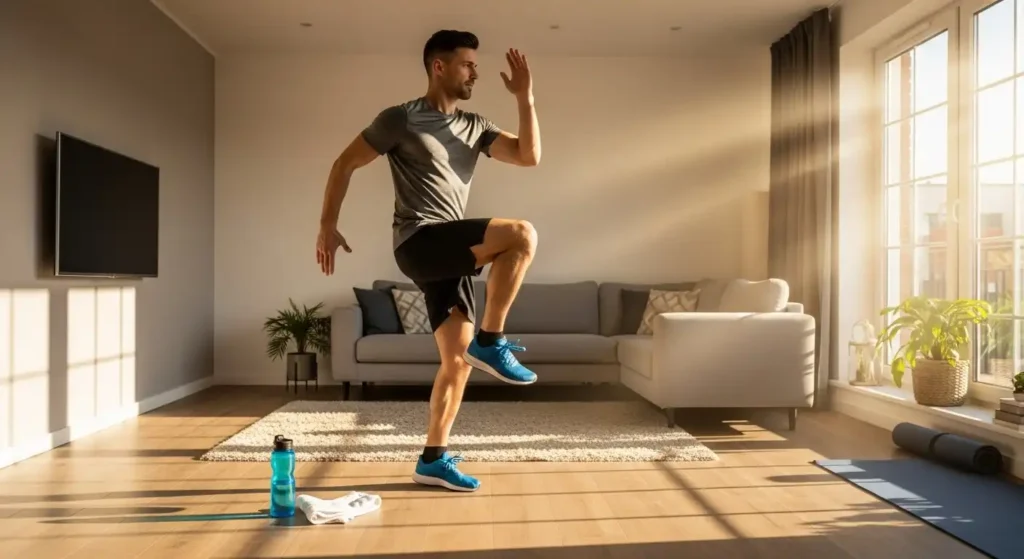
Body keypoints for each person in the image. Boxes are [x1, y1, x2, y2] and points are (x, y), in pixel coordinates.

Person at [314, 29, 542, 492]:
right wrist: (326, 224)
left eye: (475, 64)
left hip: (450, 255)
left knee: (456, 362)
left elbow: (528, 156)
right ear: (439, 66)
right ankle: (492, 341)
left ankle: (432, 459)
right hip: (419, 240)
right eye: (467, 64)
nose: (475, 71)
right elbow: (344, 164)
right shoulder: (401, 119)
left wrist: (526, 98)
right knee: (521, 235)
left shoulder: (475, 125)